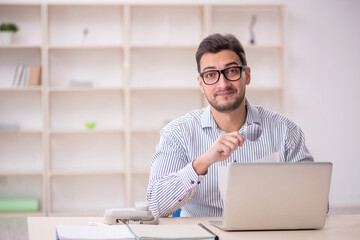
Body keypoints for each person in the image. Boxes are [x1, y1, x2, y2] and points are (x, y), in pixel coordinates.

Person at [146, 33, 313, 218]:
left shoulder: (285, 131)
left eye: (231, 71)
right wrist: (202, 163)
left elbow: (316, 204)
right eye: (210, 75)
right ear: (201, 84)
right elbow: (155, 206)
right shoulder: (178, 133)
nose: (223, 83)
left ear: (246, 75)